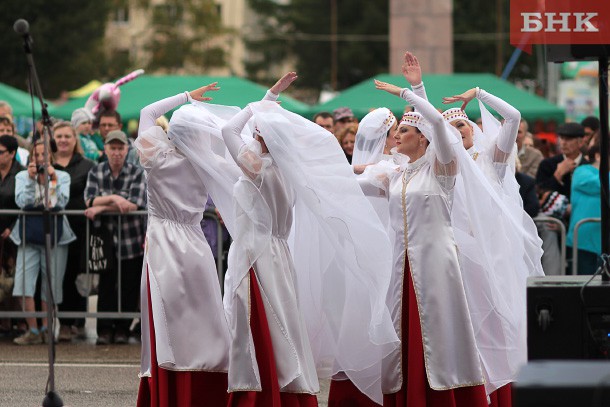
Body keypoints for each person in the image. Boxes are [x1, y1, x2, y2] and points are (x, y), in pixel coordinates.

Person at [371, 78, 488, 406]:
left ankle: (445, 396)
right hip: (402, 263)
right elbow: (354, 178)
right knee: (402, 331)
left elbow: (438, 122)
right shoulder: (397, 173)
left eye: (403, 131)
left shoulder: (441, 168)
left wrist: (408, 92)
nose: (396, 136)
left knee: (439, 329)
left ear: (423, 138)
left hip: (436, 261)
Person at [135, 83, 231, 406]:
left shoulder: (156, 157)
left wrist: (188, 96)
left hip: (163, 244)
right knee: (203, 326)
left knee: (165, 326)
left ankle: (168, 392)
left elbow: (147, 112)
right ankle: (204, 393)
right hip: (195, 243)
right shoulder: (204, 165)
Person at [10, 138, 75, 345]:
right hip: (28, 235)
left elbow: (58, 203)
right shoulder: (22, 176)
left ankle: (47, 329)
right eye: (36, 155)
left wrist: (52, 179)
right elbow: (22, 202)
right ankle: (33, 331)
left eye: (44, 155)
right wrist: (31, 180)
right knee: (24, 284)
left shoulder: (62, 176)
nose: (40, 159)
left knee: (52, 283)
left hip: (55, 235)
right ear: (31, 156)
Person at [84, 130, 146, 345]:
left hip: (131, 238)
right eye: (113, 148)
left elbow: (134, 203)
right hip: (106, 240)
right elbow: (89, 201)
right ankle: (104, 328)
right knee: (106, 285)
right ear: (106, 149)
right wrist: (115, 198)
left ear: (127, 150)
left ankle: (122, 328)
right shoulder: (96, 171)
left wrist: (101, 207)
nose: (117, 152)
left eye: (120, 148)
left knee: (129, 285)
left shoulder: (137, 172)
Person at [52, 121, 95, 341]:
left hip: (79, 228)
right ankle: (64, 322)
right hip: (53, 230)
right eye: (59, 136)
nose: (63, 140)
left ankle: (77, 321)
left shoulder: (86, 165)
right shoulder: (46, 163)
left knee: (77, 275)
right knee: (60, 275)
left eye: (67, 136)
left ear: (74, 139)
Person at [0, 135, 25, 336]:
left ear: (12, 153)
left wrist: (12, 227)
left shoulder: (21, 174)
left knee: (15, 276)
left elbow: (23, 205)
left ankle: (20, 321)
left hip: (15, 233)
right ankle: (4, 321)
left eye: (1, 152)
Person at [567, 143, 605, 275]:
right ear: (599, 156)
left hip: (603, 240)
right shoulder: (582, 171)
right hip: (584, 240)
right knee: (585, 287)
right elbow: (598, 184)